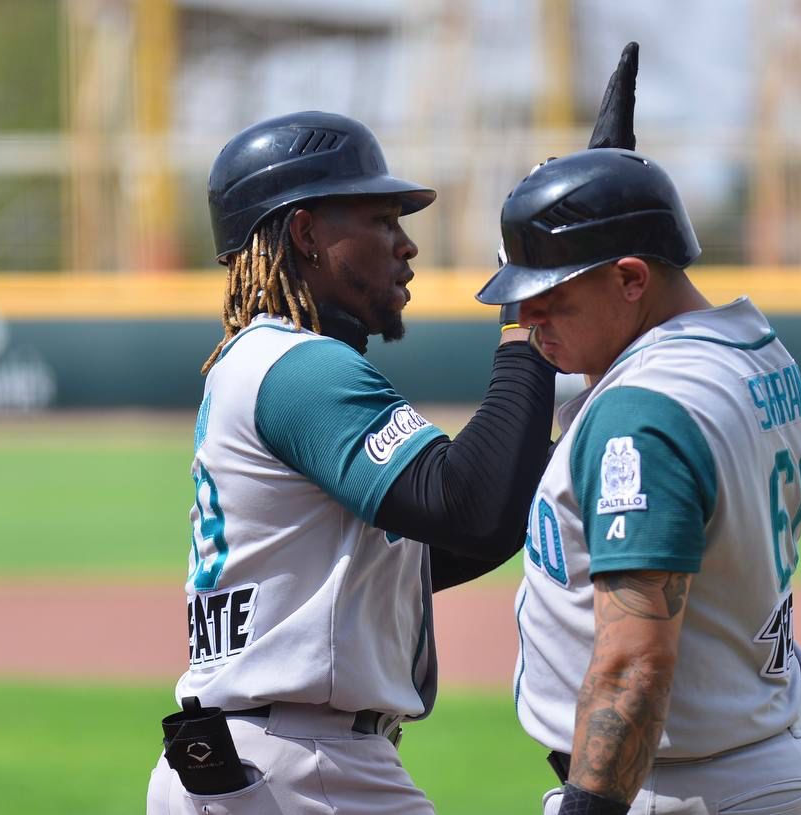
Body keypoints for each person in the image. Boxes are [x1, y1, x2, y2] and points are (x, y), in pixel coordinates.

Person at [145, 110, 555, 814]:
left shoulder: (262, 362)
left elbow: (446, 540)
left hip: (268, 759)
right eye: (381, 220)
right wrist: (528, 312)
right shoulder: (298, 367)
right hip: (302, 767)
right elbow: (471, 504)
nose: (406, 244)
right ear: (306, 233)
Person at [476, 148, 801, 815]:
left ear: (631, 279)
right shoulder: (750, 351)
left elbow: (633, 664)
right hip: (751, 756)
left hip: (677, 786)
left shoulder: (641, 412)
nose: (526, 318)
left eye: (551, 298)